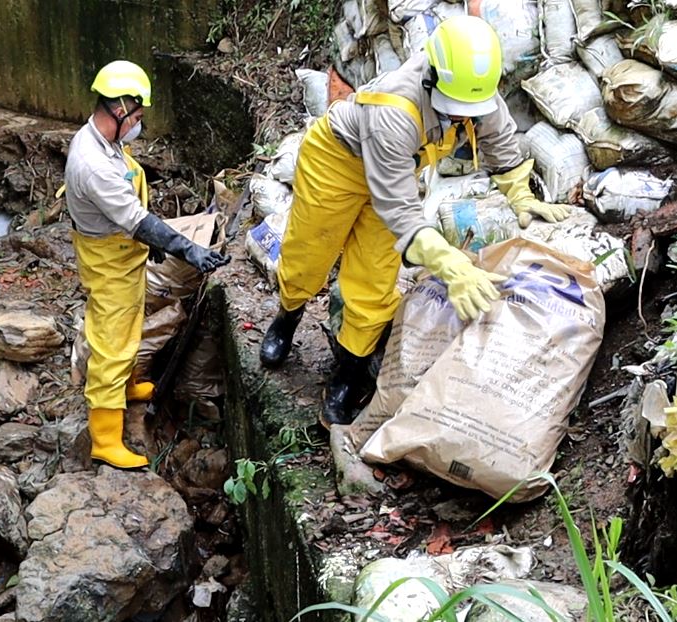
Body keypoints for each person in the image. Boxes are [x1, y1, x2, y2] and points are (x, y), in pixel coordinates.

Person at [259, 16, 571, 428]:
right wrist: (449, 265)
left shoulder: (471, 88)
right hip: (338, 160)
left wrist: (520, 193)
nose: (464, 118)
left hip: (399, 174)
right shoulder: (394, 109)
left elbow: (498, 136)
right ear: (432, 78)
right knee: (308, 255)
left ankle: (347, 377)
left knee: (373, 280)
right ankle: (288, 315)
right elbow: (401, 212)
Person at [65, 60, 231, 469]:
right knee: (112, 343)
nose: (140, 123)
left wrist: (148, 244)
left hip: (122, 251)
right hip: (109, 261)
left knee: (130, 322)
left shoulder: (106, 143)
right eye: (137, 116)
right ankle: (105, 437)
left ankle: (129, 384)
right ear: (119, 110)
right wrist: (187, 250)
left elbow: (132, 217)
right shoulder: (94, 165)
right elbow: (137, 219)